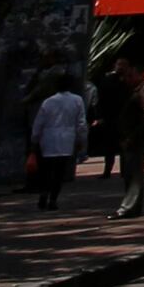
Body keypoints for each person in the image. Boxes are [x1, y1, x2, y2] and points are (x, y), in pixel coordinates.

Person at [96, 57, 144, 217]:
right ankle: (133, 207)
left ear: (140, 75)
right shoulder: (133, 89)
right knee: (130, 173)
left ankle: (127, 208)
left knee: (134, 173)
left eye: (131, 75)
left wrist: (133, 134)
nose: (128, 79)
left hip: (137, 138)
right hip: (129, 137)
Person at [27, 72, 88, 213]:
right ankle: (53, 199)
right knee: (59, 172)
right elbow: (81, 123)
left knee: (46, 170)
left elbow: (38, 123)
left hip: (48, 140)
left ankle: (44, 193)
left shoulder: (48, 102)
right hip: (67, 139)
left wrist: (34, 140)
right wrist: (81, 140)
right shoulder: (77, 100)